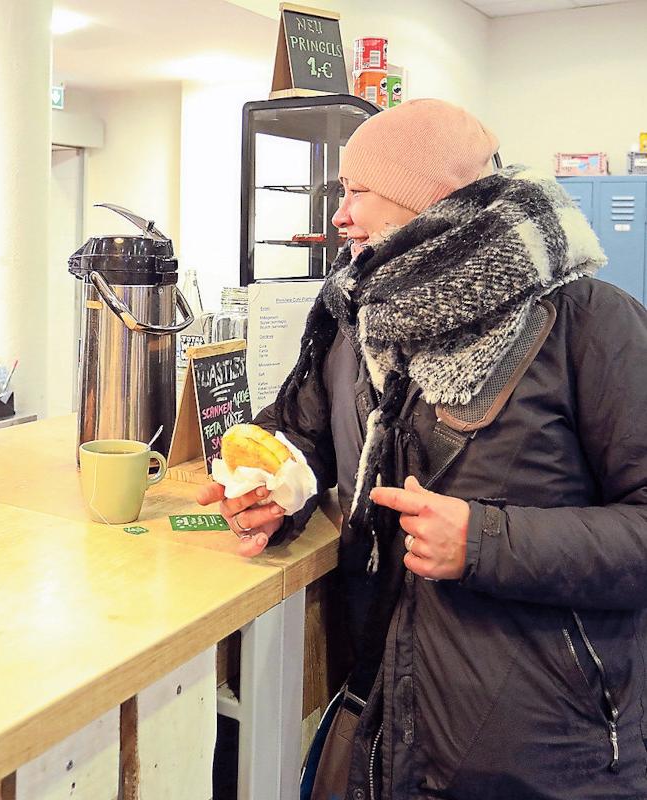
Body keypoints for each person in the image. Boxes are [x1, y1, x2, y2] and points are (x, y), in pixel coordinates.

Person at [199, 99, 647, 799]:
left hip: (544, 753)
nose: (339, 216)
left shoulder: (590, 321)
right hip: (383, 716)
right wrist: (271, 492)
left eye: (356, 191)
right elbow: (301, 437)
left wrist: (484, 541)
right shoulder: (359, 317)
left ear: (431, 197)